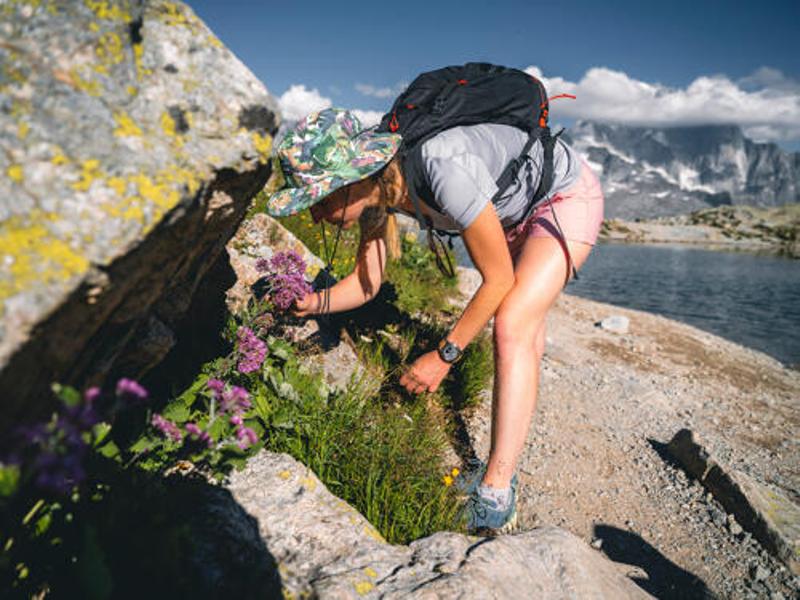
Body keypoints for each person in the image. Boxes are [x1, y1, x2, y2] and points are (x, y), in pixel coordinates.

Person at [267, 107, 604, 532]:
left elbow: (496, 279)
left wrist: (443, 357)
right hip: (511, 213)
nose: (313, 216)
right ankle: (499, 471)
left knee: (512, 324)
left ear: (351, 179)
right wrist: (312, 304)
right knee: (522, 332)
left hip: (561, 200)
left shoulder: (441, 168)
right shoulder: (379, 196)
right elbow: (367, 284)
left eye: (318, 199)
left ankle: (497, 494)